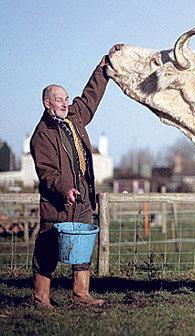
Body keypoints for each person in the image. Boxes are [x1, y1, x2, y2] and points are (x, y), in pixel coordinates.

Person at [30, 44, 123, 309]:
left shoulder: (74, 117)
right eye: (59, 99)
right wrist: (65, 189)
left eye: (66, 98)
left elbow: (90, 96)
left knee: (82, 245)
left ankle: (81, 295)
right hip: (57, 201)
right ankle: (41, 299)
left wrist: (103, 68)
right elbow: (47, 172)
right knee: (48, 246)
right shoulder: (42, 134)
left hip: (82, 195)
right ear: (47, 103)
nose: (65, 103)